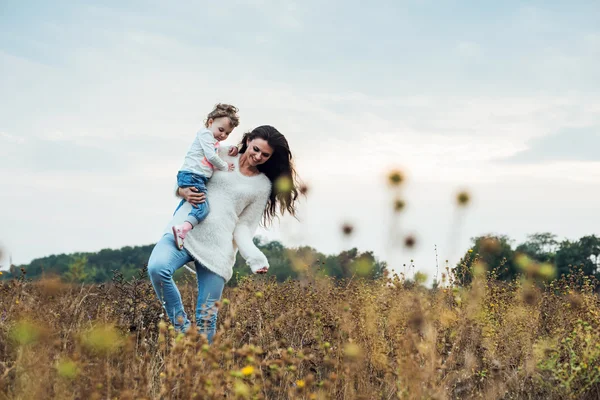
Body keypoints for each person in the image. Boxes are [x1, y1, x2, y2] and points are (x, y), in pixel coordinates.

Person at [148, 125, 299, 342]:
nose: (258, 156)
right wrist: (182, 191)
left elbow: (244, 226)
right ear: (248, 140)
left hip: (218, 248)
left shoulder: (262, 185)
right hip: (184, 230)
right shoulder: (220, 153)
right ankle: (183, 331)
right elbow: (187, 175)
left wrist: (254, 257)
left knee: (207, 318)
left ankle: (200, 367)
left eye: (265, 155)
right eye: (255, 149)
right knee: (157, 268)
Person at [171, 103, 240, 250]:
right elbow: (211, 156)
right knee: (202, 209)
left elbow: (214, 150)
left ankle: (175, 226)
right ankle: (182, 230)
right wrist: (225, 167)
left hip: (192, 176)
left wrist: (230, 149)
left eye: (227, 133)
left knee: (186, 206)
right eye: (221, 130)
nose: (223, 135)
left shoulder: (211, 140)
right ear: (210, 122)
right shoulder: (205, 134)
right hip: (193, 176)